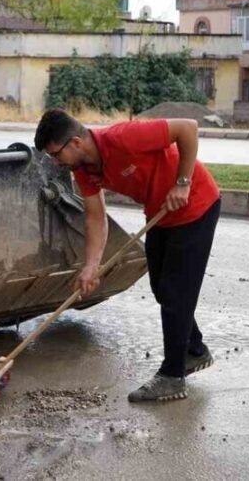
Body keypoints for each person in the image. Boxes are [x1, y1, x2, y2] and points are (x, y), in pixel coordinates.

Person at [34, 109, 221, 402]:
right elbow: (95, 217)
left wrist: (182, 183)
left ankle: (173, 377)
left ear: (76, 143)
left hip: (196, 205)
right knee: (161, 288)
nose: (56, 163)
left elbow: (187, 128)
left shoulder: (124, 137)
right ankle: (194, 350)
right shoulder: (83, 170)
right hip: (161, 214)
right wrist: (91, 266)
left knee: (176, 292)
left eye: (57, 155)